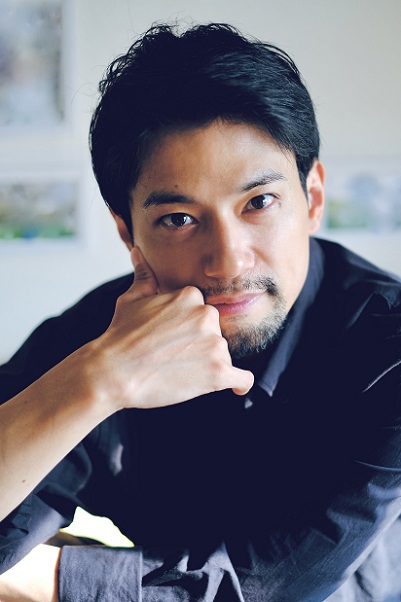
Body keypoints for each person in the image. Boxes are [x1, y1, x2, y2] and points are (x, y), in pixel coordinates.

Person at [0, 22, 400, 602]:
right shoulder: (94, 341)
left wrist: (48, 576)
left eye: (259, 202)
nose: (228, 260)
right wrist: (99, 381)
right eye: (179, 219)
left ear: (313, 199)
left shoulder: (387, 343)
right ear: (127, 232)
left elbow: (275, 584)